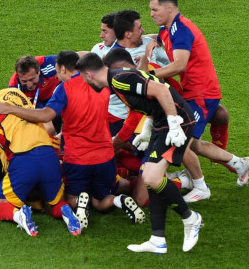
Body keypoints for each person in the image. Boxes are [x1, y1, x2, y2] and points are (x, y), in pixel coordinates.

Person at [0, 51, 145, 229]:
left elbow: (46, 115)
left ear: (63, 68)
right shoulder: (102, 83)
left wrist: (10, 109)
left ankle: (79, 202)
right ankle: (119, 200)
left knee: (69, 198)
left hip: (77, 158)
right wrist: (122, 137)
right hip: (105, 155)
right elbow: (136, 100)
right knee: (100, 199)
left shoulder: (65, 88)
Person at [77, 52, 202, 254]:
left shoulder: (120, 80)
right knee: (150, 178)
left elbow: (161, 90)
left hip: (177, 124)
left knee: (152, 179)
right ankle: (157, 239)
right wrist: (147, 129)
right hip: (161, 125)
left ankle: (190, 219)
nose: (84, 81)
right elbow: (149, 99)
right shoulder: (117, 79)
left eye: (82, 77)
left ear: (88, 75)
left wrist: (173, 123)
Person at [145, 0, 249, 199]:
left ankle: (201, 186)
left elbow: (179, 65)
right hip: (193, 92)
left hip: (202, 94)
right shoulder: (168, 28)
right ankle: (238, 164)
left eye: (154, 9)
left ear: (169, 8)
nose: (151, 13)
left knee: (183, 140)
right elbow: (162, 37)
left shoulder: (181, 30)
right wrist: (150, 39)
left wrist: (147, 75)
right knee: (189, 141)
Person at [0, 82, 82, 236]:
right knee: (55, 203)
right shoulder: (14, 92)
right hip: (49, 155)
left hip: (23, 160)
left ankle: (19, 215)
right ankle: (66, 210)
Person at [114, 10, 231, 155]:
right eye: (140, 28)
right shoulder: (117, 59)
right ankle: (232, 164)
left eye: (154, 9)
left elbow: (173, 60)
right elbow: (140, 82)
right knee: (184, 143)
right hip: (142, 113)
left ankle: (229, 163)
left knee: (219, 115)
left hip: (168, 98)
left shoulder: (148, 41)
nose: (144, 30)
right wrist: (145, 62)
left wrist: (157, 41)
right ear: (128, 34)